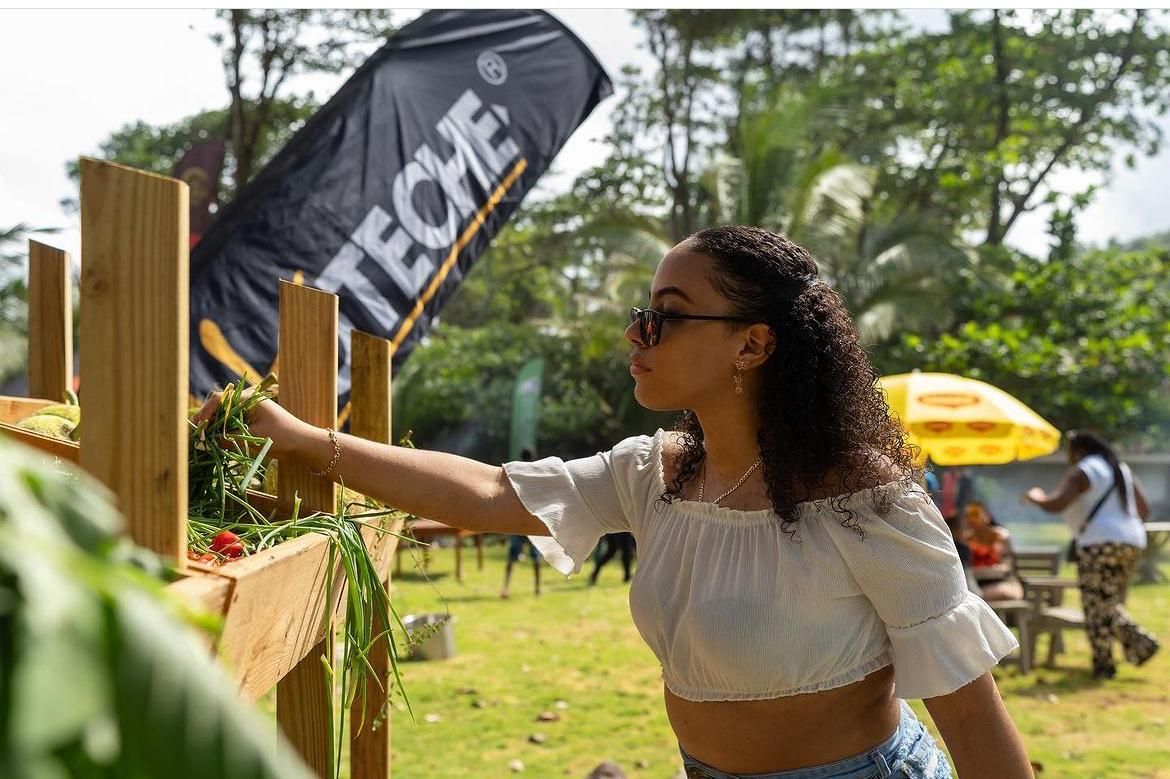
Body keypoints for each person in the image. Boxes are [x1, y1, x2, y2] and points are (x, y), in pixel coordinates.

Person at [196, 226, 1032, 778]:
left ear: (753, 343)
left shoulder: (861, 497)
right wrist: (304, 439)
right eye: (643, 313)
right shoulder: (655, 471)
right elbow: (491, 490)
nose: (637, 334)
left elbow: (969, 712)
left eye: (666, 317)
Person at [1023, 429, 1160, 679]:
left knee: (1095, 605)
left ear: (1079, 450)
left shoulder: (1085, 470)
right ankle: (1135, 646)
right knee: (1107, 602)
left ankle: (1111, 661)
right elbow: (1144, 510)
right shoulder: (1120, 469)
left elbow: (1057, 503)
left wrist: (1036, 497)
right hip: (1132, 542)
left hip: (1099, 543)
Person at [962, 501, 1024, 602]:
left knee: (978, 597)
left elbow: (1008, 566)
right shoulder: (966, 539)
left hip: (1002, 582)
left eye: (975, 514)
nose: (972, 519)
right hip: (976, 583)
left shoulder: (1001, 536)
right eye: (968, 516)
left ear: (987, 516)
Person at [501, 448, 542, 598]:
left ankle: (505, 587)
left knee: (512, 557)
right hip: (531, 522)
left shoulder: (516, 475)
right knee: (535, 558)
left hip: (518, 522)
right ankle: (537, 588)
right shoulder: (537, 476)